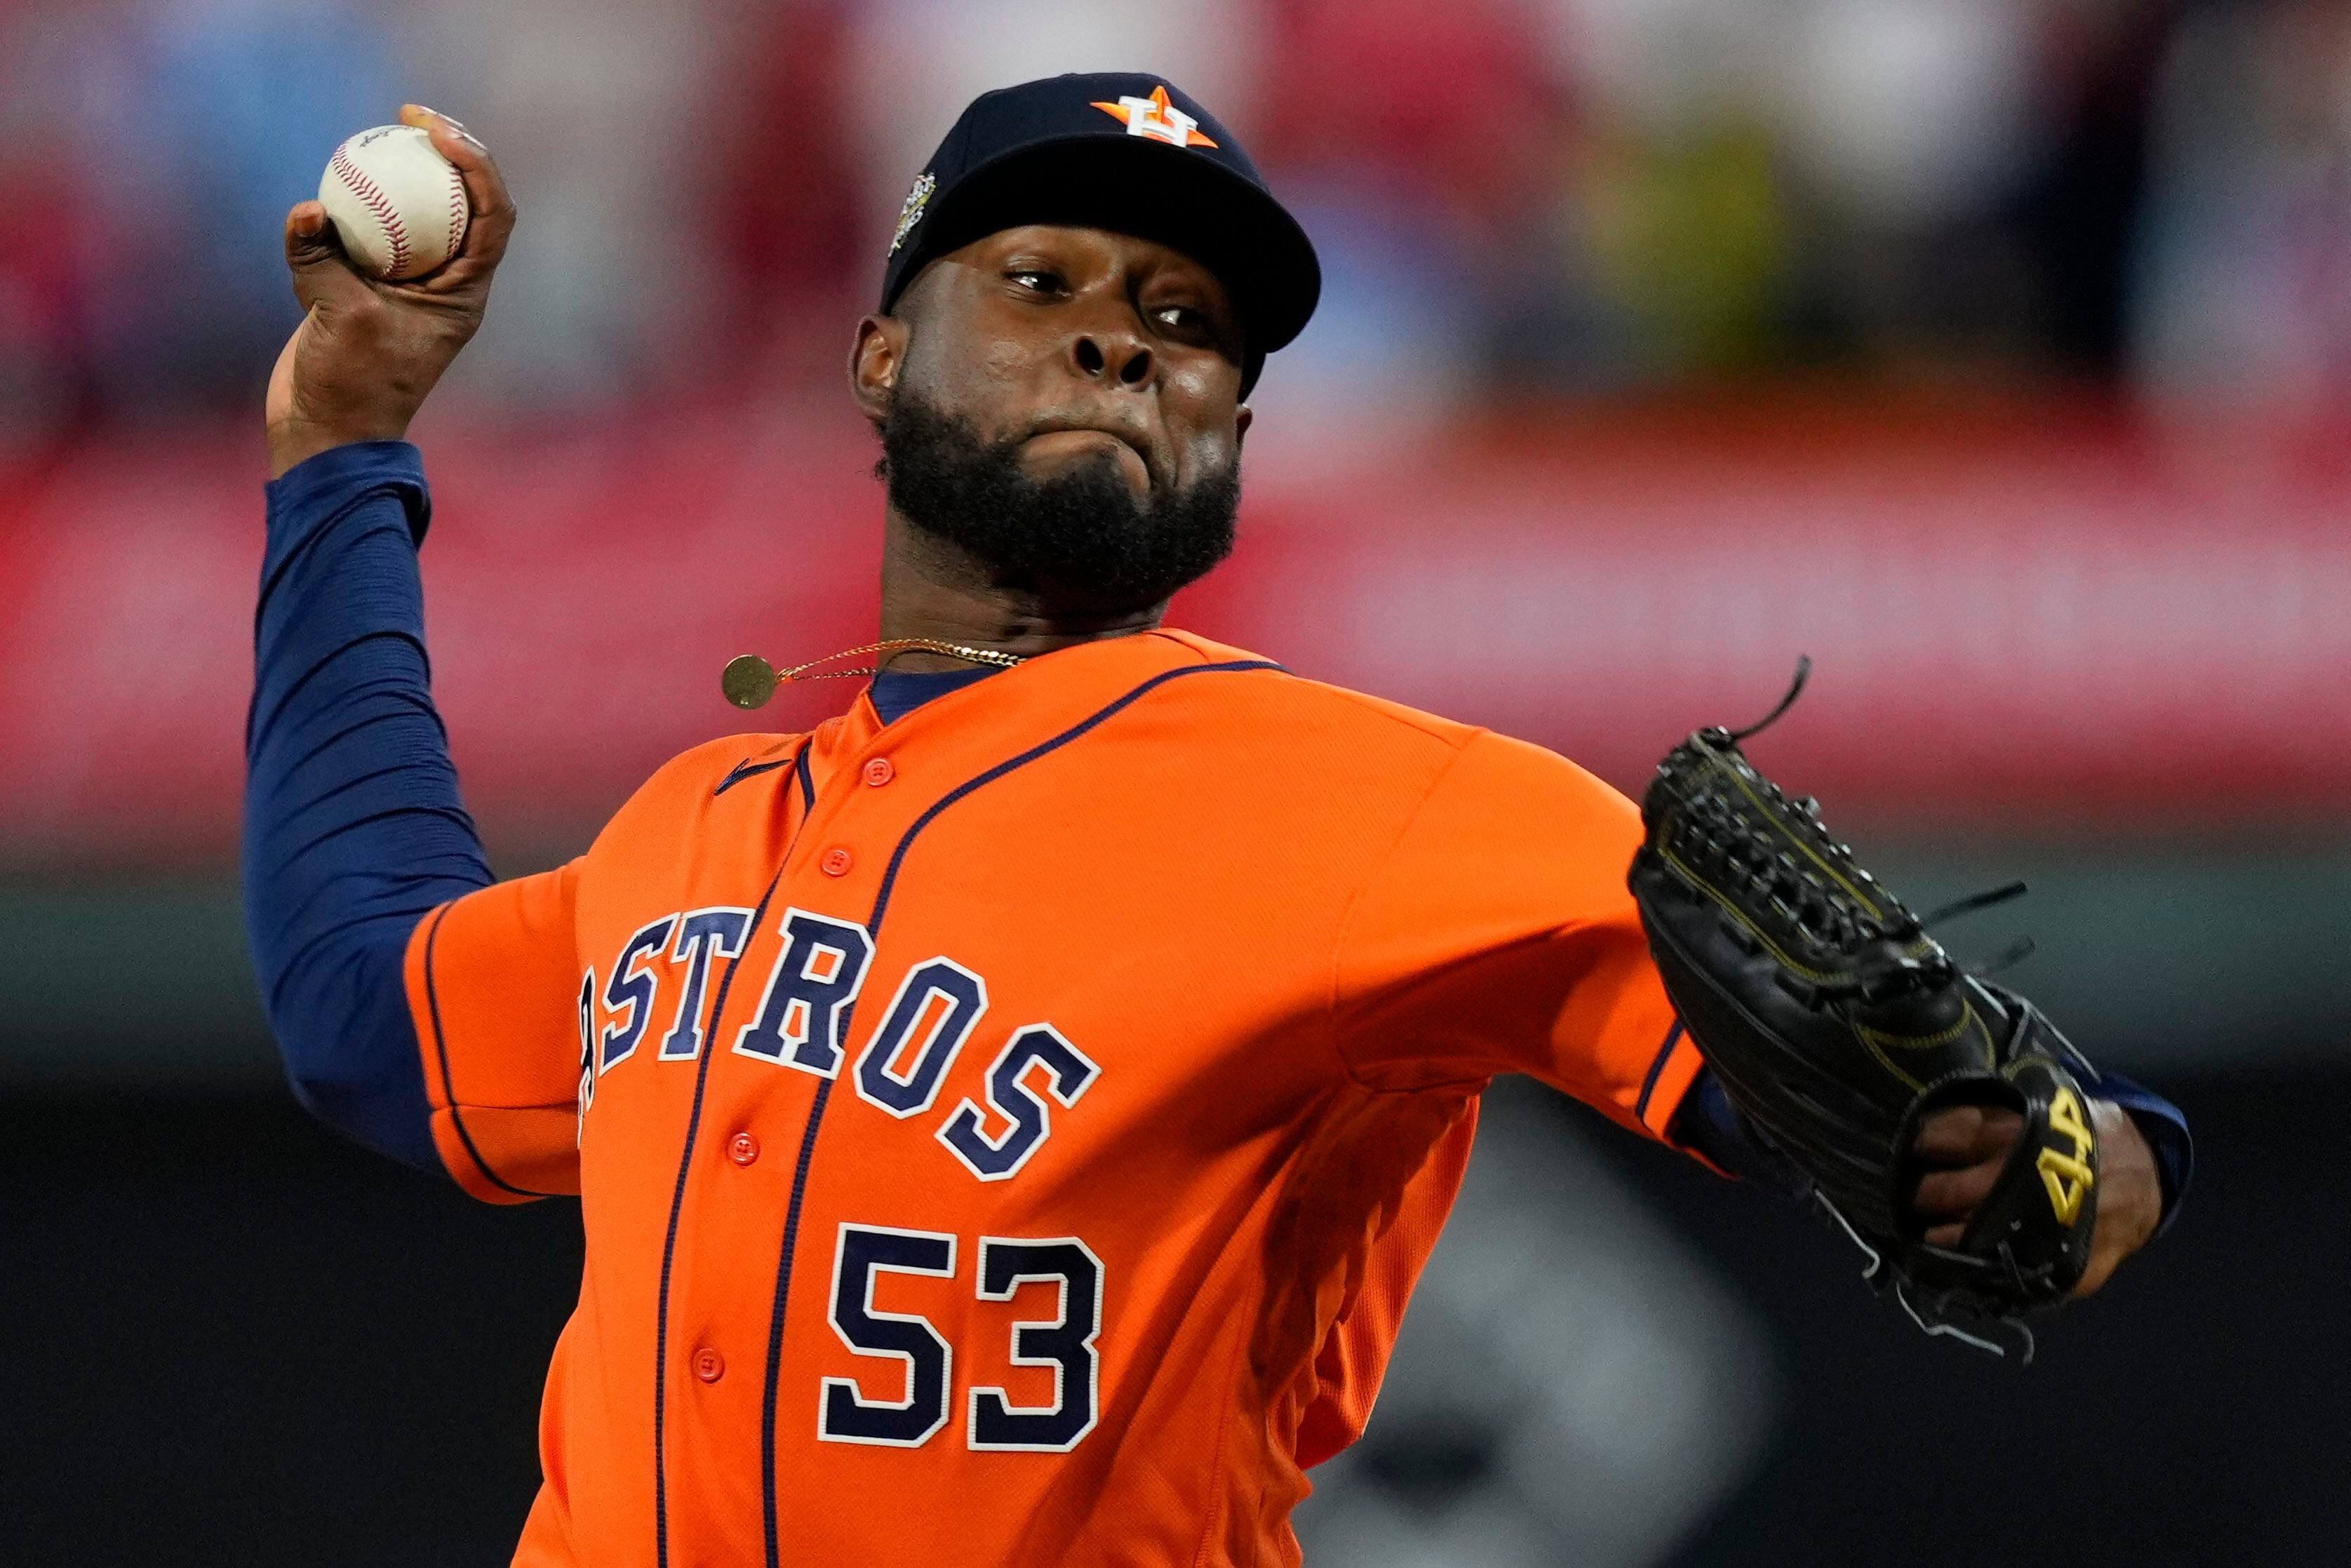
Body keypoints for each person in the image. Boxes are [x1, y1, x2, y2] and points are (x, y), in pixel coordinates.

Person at [246, 83, 2190, 1568]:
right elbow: (367, 1010)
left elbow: (1906, 1094)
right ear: (879, 355)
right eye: (1041, 282)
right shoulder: (689, 828)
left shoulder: (1387, 805)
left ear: (1238, 441)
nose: (1126, 336)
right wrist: (343, 451)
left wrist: (2090, 1160)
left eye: (1187, 318)